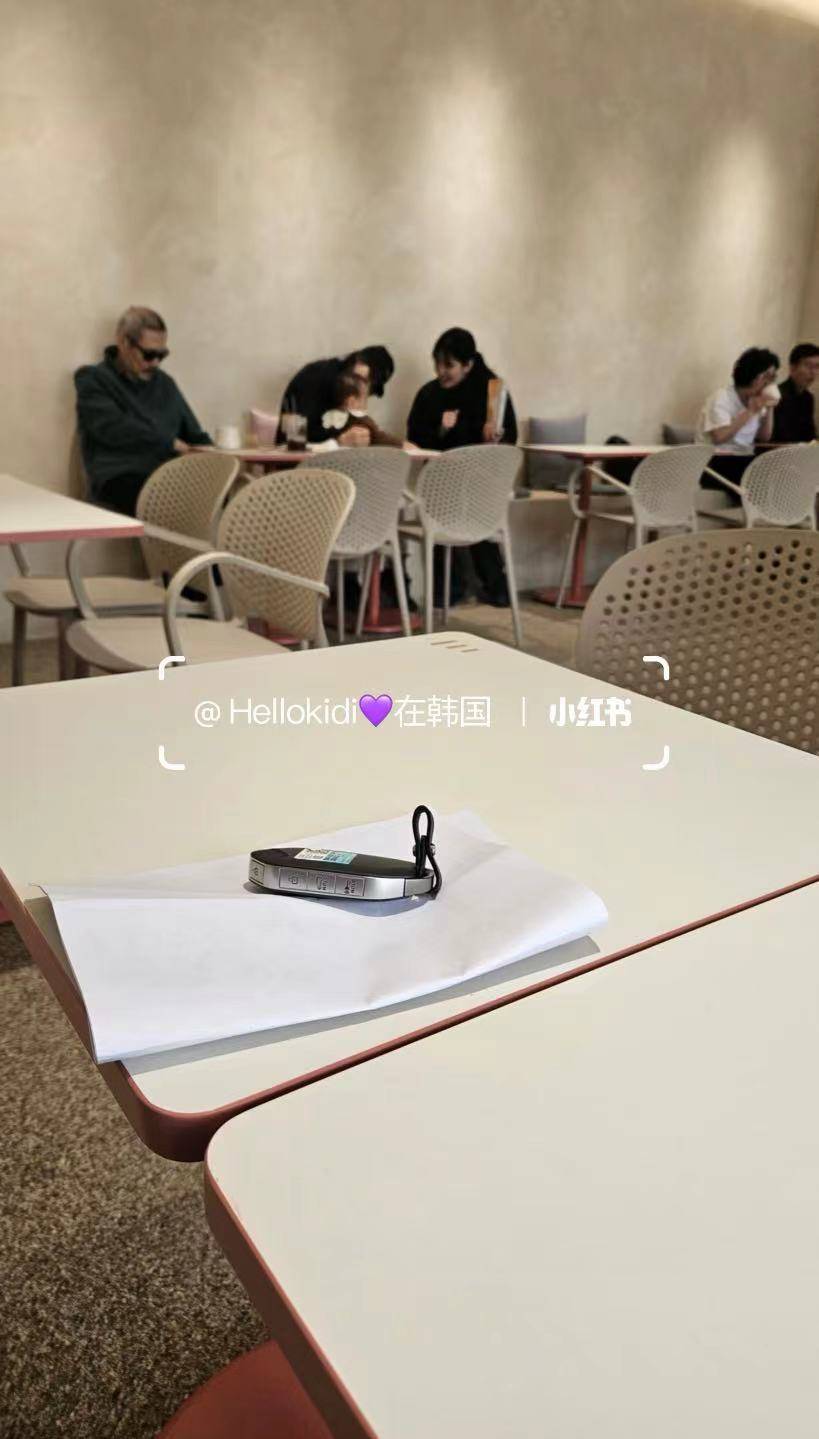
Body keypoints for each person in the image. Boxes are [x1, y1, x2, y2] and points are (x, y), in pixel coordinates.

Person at [406, 328, 518, 606]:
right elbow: (415, 439)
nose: (441, 371)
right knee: (446, 501)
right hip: (442, 481)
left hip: (482, 482)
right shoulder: (429, 394)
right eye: (437, 364)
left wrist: (494, 436)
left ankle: (480, 586)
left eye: (449, 365)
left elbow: (509, 440)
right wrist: (441, 429)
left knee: (470, 504)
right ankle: (452, 589)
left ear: (468, 365)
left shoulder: (492, 393)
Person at [74, 307, 211, 515]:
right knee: (179, 498)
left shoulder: (165, 384)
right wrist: (170, 443)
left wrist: (221, 457)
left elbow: (195, 436)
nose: (155, 362)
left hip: (169, 477)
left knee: (228, 491)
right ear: (124, 342)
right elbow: (114, 428)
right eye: (149, 354)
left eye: (162, 355)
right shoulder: (93, 379)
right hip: (121, 478)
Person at [696, 347, 780, 489]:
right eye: (766, 376)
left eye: (772, 378)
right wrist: (750, 411)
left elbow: (764, 437)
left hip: (743, 458)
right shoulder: (721, 397)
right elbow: (719, 437)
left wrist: (770, 406)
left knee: (780, 473)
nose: (769, 383)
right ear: (751, 373)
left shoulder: (757, 399)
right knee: (764, 481)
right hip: (714, 461)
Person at [277, 346, 394, 445]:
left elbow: (375, 435)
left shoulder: (340, 378)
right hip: (295, 458)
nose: (366, 396)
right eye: (370, 388)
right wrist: (339, 441)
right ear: (360, 367)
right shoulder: (314, 377)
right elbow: (293, 438)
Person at [315, 373, 403, 449]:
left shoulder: (321, 419)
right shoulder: (362, 420)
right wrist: (402, 444)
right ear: (352, 402)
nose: (366, 404)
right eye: (365, 399)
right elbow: (381, 438)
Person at [772, 342, 819, 444]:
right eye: (808, 366)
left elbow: (810, 434)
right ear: (792, 368)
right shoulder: (776, 395)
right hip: (778, 452)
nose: (813, 372)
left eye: (817, 367)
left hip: (800, 451)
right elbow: (778, 437)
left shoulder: (808, 397)